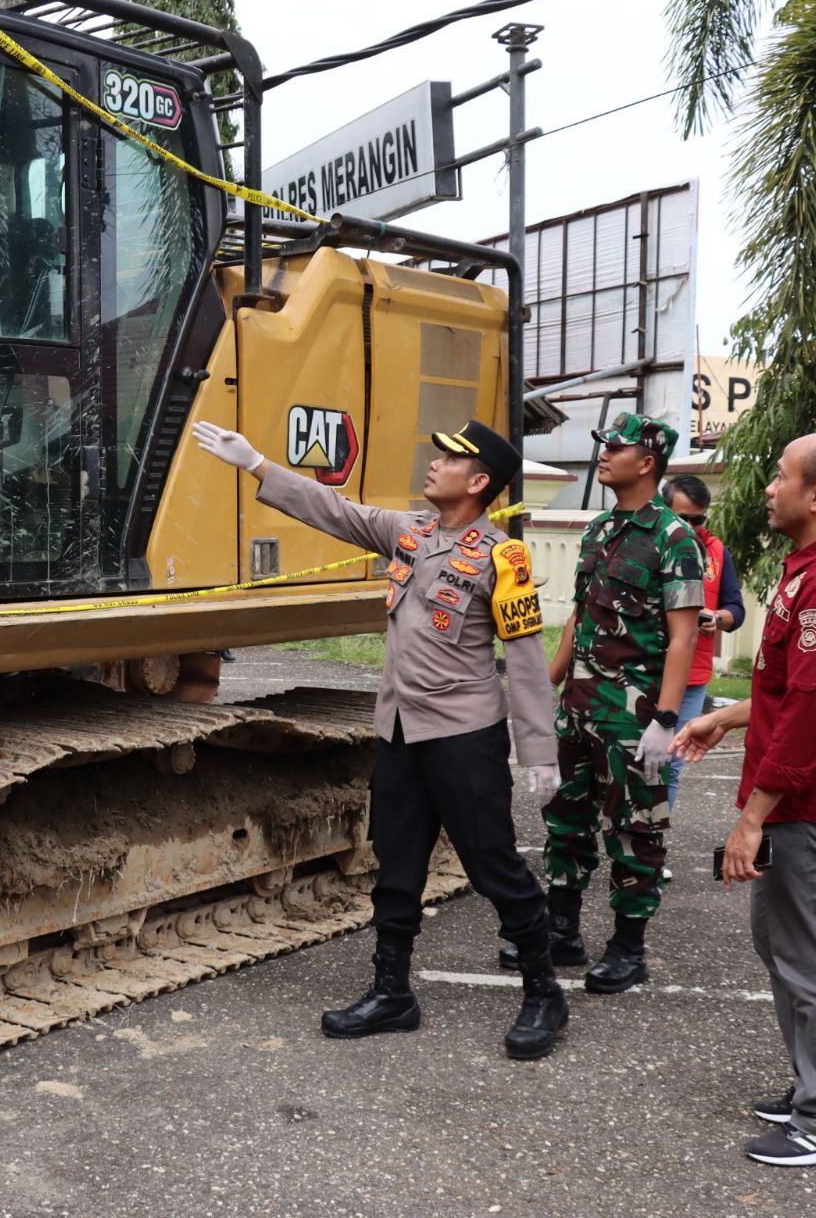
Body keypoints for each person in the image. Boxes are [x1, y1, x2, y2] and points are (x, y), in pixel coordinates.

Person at [191, 416, 569, 1060]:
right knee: (396, 865)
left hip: (463, 737)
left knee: (492, 866)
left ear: (479, 482)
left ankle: (543, 991)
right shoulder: (410, 534)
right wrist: (254, 462)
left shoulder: (502, 556)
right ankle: (393, 992)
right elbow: (333, 509)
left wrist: (539, 753)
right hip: (400, 732)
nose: (434, 465)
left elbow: (528, 663)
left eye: (448, 460)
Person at [672, 433, 816, 1167]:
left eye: (780, 475)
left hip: (806, 800)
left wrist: (752, 816)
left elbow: (812, 711)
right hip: (795, 793)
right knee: (783, 942)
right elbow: (790, 687)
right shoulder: (814, 567)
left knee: (811, 955)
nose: (768, 486)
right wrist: (725, 715)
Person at [534, 413, 702, 992]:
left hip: (631, 714)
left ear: (647, 461)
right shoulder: (599, 528)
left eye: (615, 446)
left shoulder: (674, 538)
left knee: (634, 829)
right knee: (565, 819)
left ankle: (629, 949)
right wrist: (545, 686)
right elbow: (579, 616)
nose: (603, 454)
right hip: (578, 705)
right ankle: (562, 932)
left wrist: (665, 719)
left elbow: (684, 635)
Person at [663, 473, 746, 807]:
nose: (691, 527)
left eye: (698, 519)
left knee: (672, 764)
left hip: (693, 679)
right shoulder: (649, 544)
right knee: (635, 762)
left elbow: (735, 609)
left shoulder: (716, 551)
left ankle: (651, 846)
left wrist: (716, 618)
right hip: (647, 670)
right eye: (682, 518)